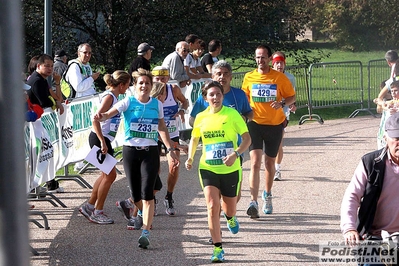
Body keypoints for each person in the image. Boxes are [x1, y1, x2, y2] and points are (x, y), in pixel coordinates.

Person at [95, 68, 179, 249]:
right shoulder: (128, 101)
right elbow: (109, 113)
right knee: (135, 195)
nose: (144, 86)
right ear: (135, 85)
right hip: (131, 152)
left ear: (151, 86)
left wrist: (170, 148)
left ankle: (146, 232)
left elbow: (162, 128)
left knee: (148, 194)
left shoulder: (156, 104)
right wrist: (102, 116)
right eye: (141, 83)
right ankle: (142, 213)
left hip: (150, 151)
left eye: (147, 83)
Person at [185, 80, 251, 262]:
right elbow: (195, 139)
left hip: (230, 168)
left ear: (223, 96)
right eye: (211, 95)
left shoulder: (232, 114)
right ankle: (217, 249)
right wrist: (190, 158)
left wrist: (236, 154)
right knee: (212, 206)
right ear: (205, 98)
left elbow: (247, 139)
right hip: (208, 168)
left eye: (218, 94)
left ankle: (230, 217)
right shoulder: (201, 117)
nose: (215, 97)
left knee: (230, 207)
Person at [241, 45, 295, 217]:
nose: (260, 60)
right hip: (255, 123)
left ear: (270, 58)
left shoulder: (279, 77)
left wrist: (282, 103)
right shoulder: (249, 77)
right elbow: (245, 98)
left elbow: (291, 96)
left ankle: (268, 194)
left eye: (263, 57)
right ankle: (253, 201)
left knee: (269, 164)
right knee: (255, 163)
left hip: (274, 124)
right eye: (257, 57)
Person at [340, 112, 399, 266]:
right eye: (396, 138)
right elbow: (351, 197)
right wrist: (349, 228)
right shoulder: (370, 163)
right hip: (376, 237)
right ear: (386, 138)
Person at [79, 70, 131, 224]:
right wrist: (102, 141)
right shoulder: (109, 97)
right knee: (110, 175)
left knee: (105, 175)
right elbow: (95, 120)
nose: (128, 88)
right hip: (99, 139)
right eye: (127, 85)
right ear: (121, 85)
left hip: (104, 139)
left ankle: (89, 206)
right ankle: (97, 211)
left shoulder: (112, 96)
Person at [26, 54, 65, 193]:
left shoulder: (43, 80)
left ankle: (46, 183)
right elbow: (45, 102)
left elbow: (57, 98)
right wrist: (56, 103)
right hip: (35, 122)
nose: (50, 69)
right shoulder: (36, 81)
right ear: (38, 66)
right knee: (39, 153)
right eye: (46, 66)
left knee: (47, 151)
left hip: (41, 121)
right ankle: (35, 186)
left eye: (51, 66)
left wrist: (58, 84)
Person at [65, 43, 100, 171]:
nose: (87, 55)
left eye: (90, 53)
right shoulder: (74, 66)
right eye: (85, 52)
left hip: (88, 105)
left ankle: (86, 159)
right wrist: (92, 78)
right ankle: (78, 163)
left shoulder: (87, 66)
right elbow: (79, 87)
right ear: (78, 52)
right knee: (80, 133)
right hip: (78, 105)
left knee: (88, 132)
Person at [271, 51, 297, 181]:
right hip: (268, 114)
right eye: (277, 63)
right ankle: (269, 165)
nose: (279, 66)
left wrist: (293, 104)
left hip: (283, 113)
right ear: (273, 64)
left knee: (278, 143)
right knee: (269, 143)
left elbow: (292, 96)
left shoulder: (290, 78)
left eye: (281, 63)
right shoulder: (268, 76)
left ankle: (277, 169)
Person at [376, 80, 399, 149]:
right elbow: (378, 101)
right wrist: (384, 106)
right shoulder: (392, 102)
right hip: (387, 130)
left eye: (396, 91)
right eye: (391, 91)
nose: (393, 93)